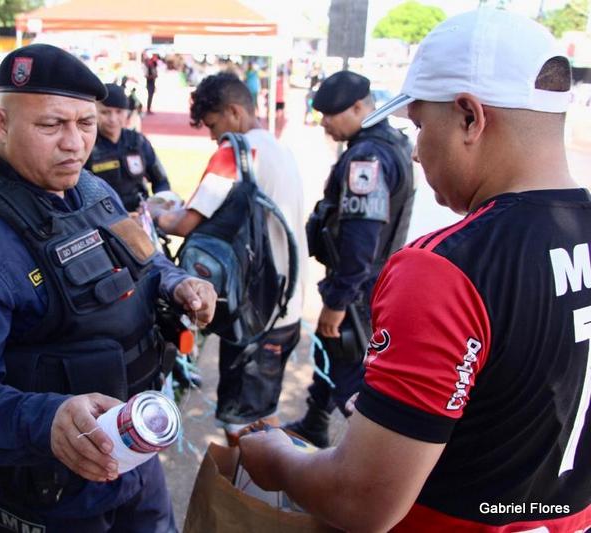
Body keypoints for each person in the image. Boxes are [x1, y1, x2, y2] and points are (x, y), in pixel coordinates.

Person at [239, 9, 591, 531]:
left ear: (469, 118)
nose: (418, 153)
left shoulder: (443, 268)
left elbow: (360, 501)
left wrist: (278, 461)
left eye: (421, 125)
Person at [0, 44, 216, 533]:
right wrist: (48, 420)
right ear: (1, 124)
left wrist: (179, 282)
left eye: (86, 123)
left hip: (134, 455)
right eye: (51, 125)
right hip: (55, 494)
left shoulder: (92, 191)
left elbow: (147, 259)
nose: (74, 144)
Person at [150, 72, 308, 445]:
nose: (212, 136)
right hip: (286, 304)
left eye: (212, 124)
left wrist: (154, 214)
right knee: (262, 410)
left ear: (234, 112)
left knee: (243, 426)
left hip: (257, 312)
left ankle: (255, 481)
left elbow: (185, 222)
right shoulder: (279, 147)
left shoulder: (236, 151)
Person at [284, 69, 414, 448]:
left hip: (359, 287)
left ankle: (372, 457)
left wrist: (338, 301)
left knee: (350, 374)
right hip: (372, 280)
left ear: (358, 107)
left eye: (330, 114)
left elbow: (360, 238)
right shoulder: (389, 143)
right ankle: (314, 422)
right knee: (331, 352)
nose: (324, 123)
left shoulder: (367, 157)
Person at [84, 83, 170, 212]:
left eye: (119, 112)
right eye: (105, 112)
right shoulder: (86, 144)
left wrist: (157, 204)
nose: (113, 119)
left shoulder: (138, 141)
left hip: (140, 213)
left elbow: (161, 181)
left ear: (127, 112)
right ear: (94, 112)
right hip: (104, 217)